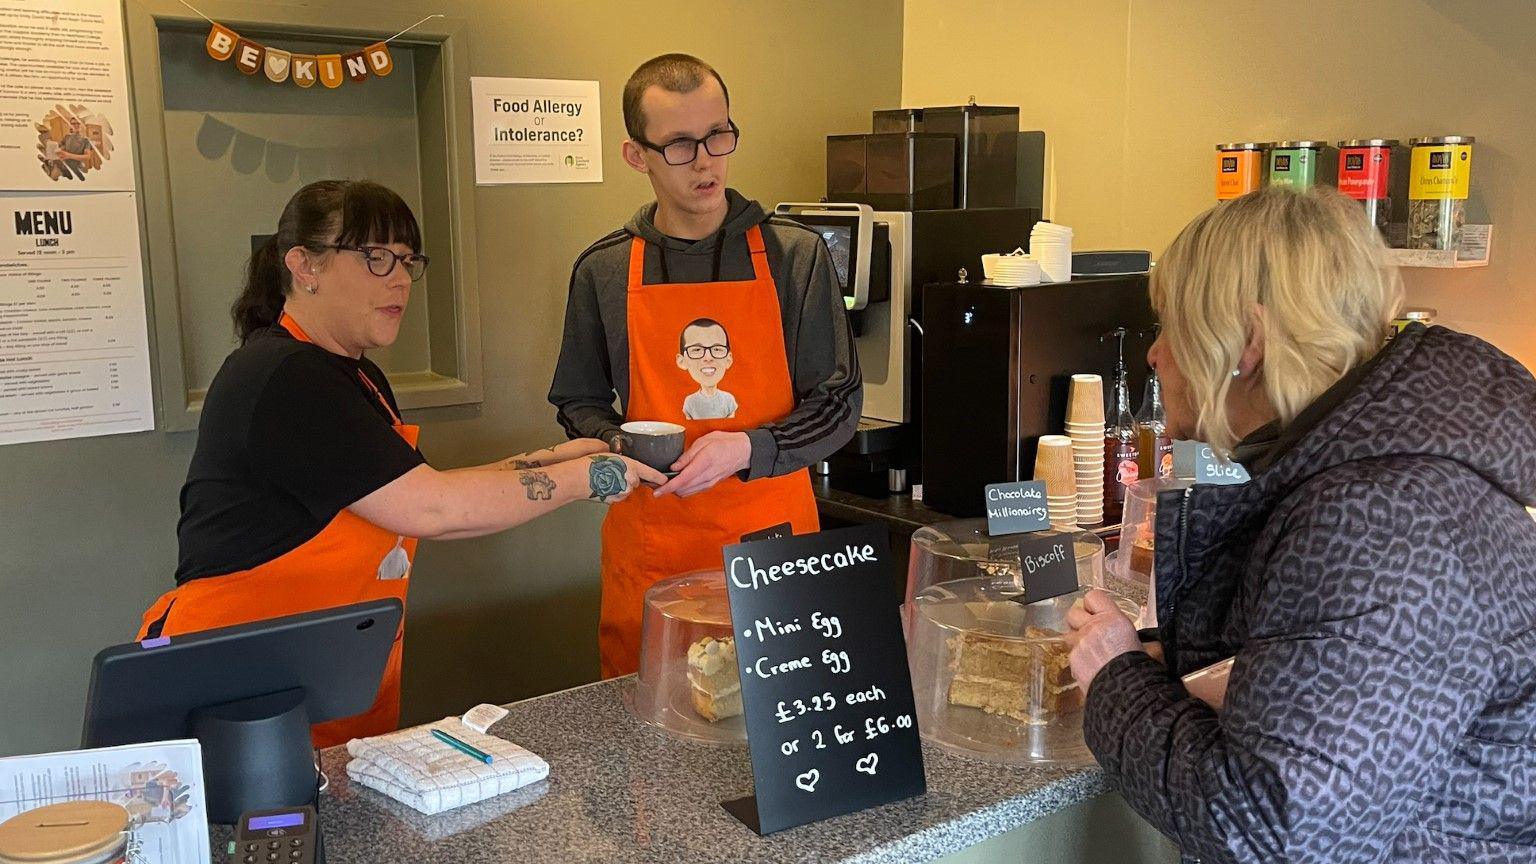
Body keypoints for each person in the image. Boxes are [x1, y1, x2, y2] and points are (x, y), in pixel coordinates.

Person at [1065, 186, 1536, 863]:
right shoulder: (1369, 479)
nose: (1155, 354)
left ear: (1247, 343)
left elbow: (1275, 828)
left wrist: (1116, 677)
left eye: (1170, 325)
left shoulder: (1380, 519)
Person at [139, 180, 663, 747]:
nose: (398, 279)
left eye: (407, 261)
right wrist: (591, 477)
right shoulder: (286, 377)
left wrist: (553, 456)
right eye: (374, 257)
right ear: (303, 264)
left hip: (319, 677)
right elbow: (433, 509)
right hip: (241, 690)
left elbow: (417, 488)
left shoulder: (352, 373)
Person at [549, 54, 860, 677]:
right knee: (652, 731)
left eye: (718, 136)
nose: (706, 160)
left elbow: (837, 404)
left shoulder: (795, 256)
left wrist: (746, 448)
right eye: (680, 145)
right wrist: (617, 442)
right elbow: (578, 402)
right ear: (637, 155)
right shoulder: (605, 270)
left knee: (778, 721)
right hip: (652, 537)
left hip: (772, 538)